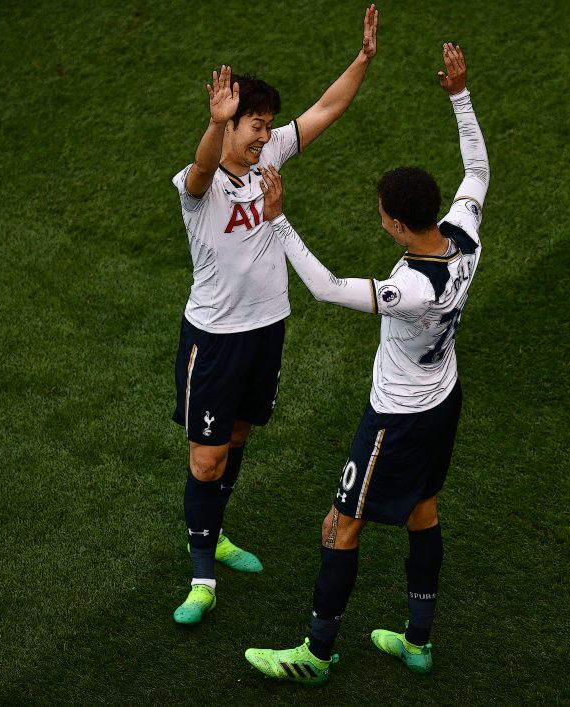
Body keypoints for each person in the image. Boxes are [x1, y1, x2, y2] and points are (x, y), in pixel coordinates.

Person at [244, 43, 488, 683]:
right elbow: (479, 169)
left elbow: (326, 288)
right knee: (423, 512)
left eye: (382, 215)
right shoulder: (464, 234)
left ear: (400, 227)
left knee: (340, 524)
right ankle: (418, 642)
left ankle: (316, 655)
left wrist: (279, 220)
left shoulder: (409, 291)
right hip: (445, 400)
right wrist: (459, 94)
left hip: (397, 418)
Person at [169, 6, 380, 625]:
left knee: (236, 439)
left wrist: (362, 60)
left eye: (265, 125)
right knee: (204, 458)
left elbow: (325, 109)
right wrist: (213, 126)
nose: (263, 135)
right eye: (252, 126)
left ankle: (217, 530)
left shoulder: (269, 161)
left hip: (267, 330)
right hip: (214, 338)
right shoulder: (196, 184)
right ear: (226, 125)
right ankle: (202, 573)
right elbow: (206, 164)